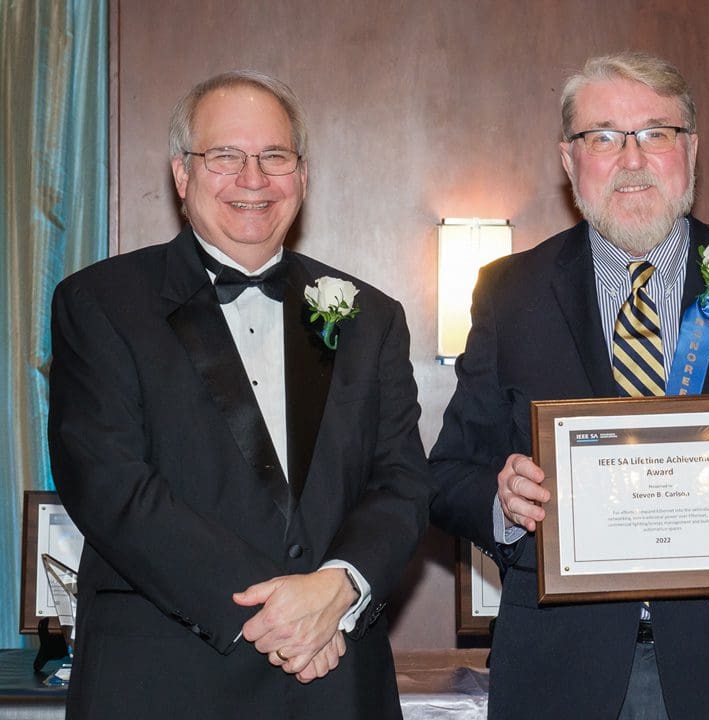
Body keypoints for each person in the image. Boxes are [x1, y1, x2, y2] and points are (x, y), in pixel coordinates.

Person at [430, 51, 709, 720]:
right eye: (602, 136)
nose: (630, 159)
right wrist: (502, 500)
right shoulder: (510, 292)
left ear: (689, 149)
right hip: (557, 676)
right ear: (569, 161)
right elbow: (446, 474)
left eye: (655, 133)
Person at [47, 70, 435, 719]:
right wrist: (283, 617)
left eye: (274, 156)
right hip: (163, 683)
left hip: (335, 682)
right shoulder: (101, 304)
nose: (253, 178)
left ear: (302, 176)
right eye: (224, 156)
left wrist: (338, 589)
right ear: (182, 173)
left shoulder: (370, 315)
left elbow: (402, 484)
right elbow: (112, 485)